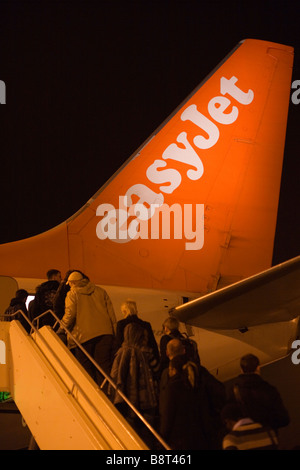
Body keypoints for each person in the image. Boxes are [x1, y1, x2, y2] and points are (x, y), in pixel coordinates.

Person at [159, 338, 226, 449]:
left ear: (167, 353)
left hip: (181, 439)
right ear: (184, 350)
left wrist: (162, 438)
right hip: (205, 434)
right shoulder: (199, 370)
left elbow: (166, 411)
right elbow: (218, 391)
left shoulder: (168, 378)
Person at [57, 271, 117, 386]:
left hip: (83, 337)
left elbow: (70, 314)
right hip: (105, 335)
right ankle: (108, 397)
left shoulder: (72, 293)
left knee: (86, 370)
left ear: (73, 283)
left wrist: (61, 327)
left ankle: (93, 398)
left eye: (69, 284)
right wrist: (114, 333)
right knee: (104, 369)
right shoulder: (101, 291)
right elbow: (112, 315)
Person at [109, 322, 159, 447]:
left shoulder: (122, 353)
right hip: (146, 403)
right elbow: (156, 369)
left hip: (131, 404)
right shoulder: (144, 352)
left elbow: (116, 376)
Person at [226, 353, 290, 434]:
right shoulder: (269, 390)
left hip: (244, 440)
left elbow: (228, 417)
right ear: (258, 368)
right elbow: (284, 419)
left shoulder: (233, 391)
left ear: (241, 370)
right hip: (266, 438)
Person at [159, 354, 209, 450]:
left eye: (170, 370)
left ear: (174, 370)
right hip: (198, 438)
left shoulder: (172, 388)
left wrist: (162, 438)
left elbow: (168, 417)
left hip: (179, 441)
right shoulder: (195, 383)